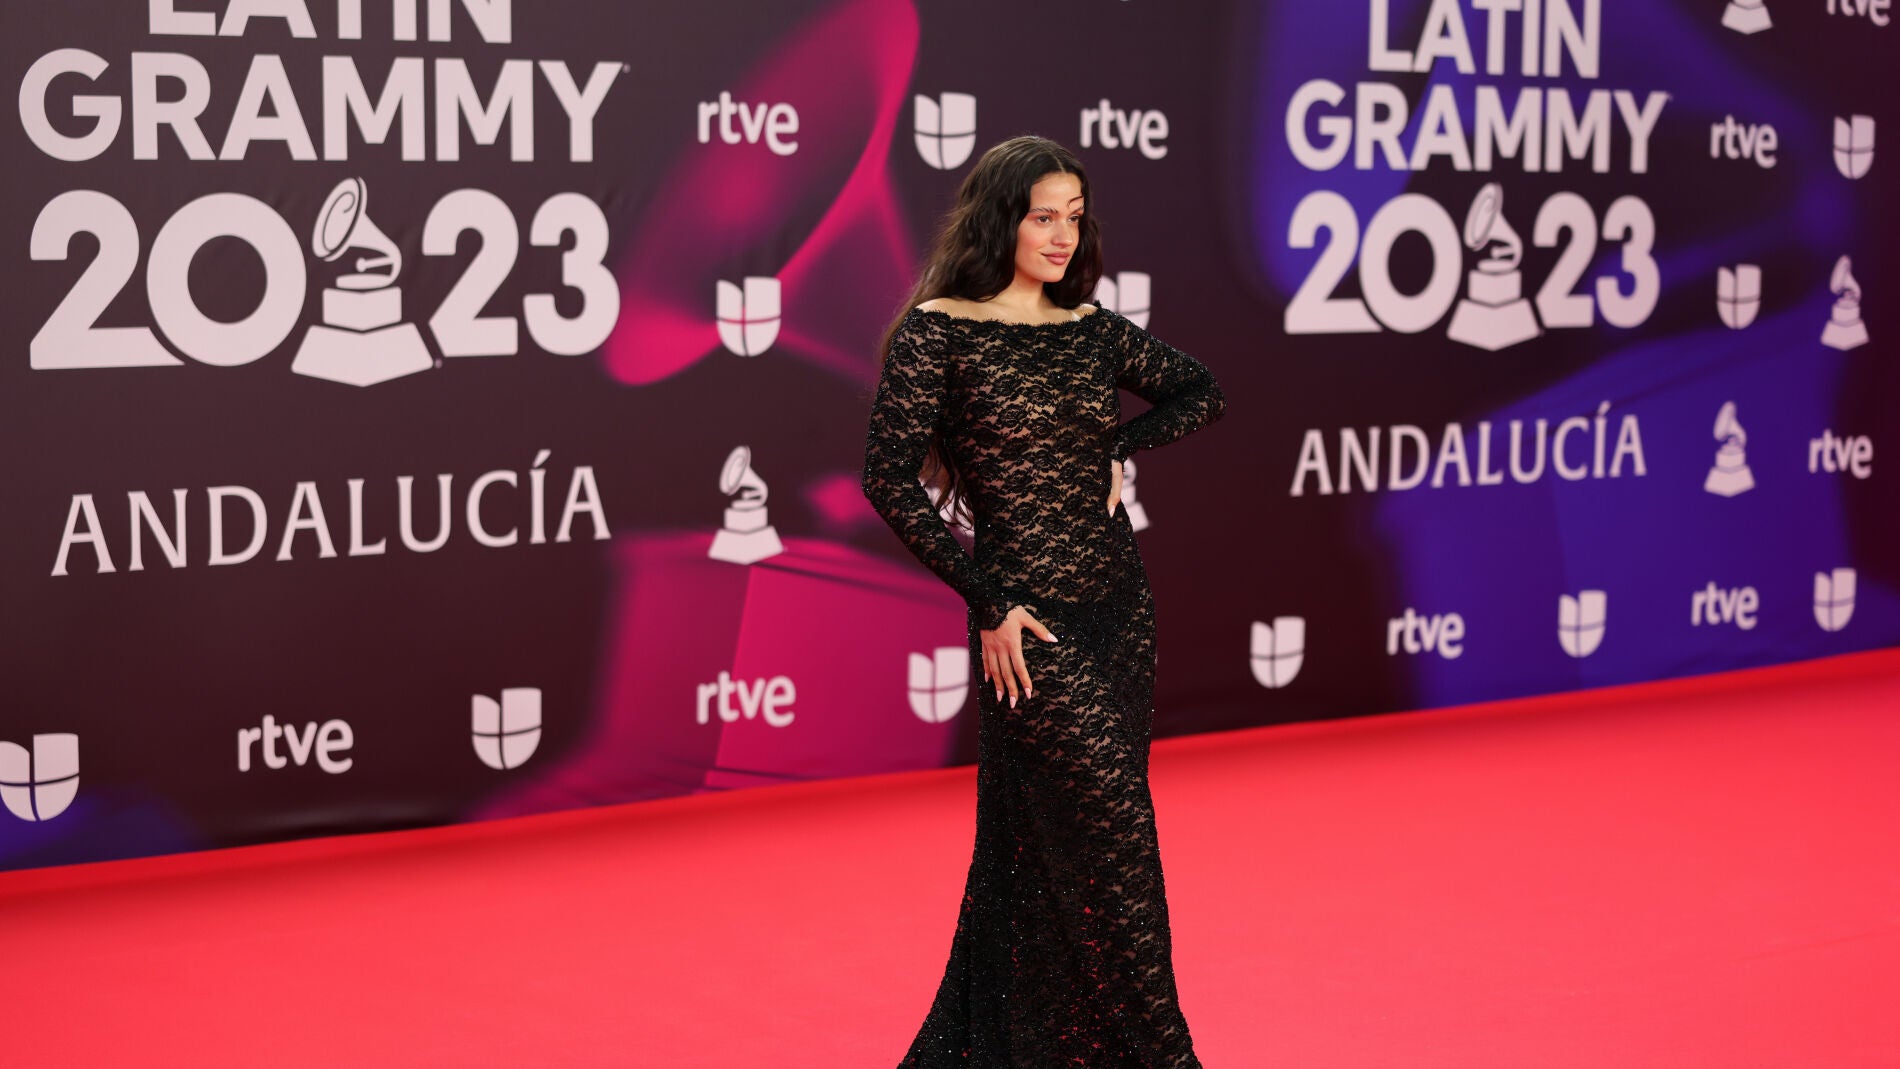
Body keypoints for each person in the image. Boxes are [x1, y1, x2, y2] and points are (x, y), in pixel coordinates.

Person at [860, 134, 1226, 1068]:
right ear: (1000, 218)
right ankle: (1164, 1055)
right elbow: (887, 479)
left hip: (1117, 609)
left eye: (1074, 217)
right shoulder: (938, 330)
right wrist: (985, 600)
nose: (1061, 236)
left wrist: (1120, 448)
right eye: (1042, 216)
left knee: (1040, 843)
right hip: (1028, 624)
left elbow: (1199, 391)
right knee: (1118, 834)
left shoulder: (1091, 329)